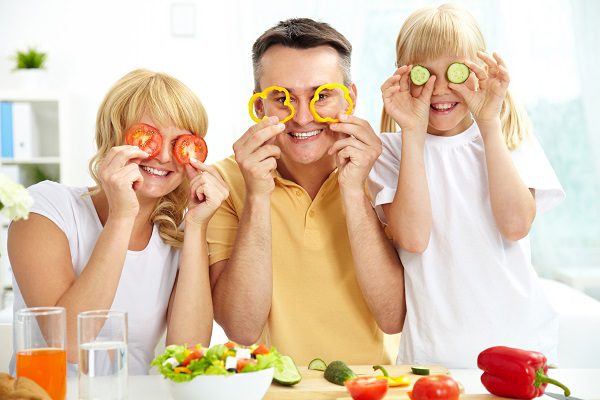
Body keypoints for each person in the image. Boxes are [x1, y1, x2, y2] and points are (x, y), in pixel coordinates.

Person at [370, 4, 565, 368]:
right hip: (431, 355)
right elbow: (412, 238)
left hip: (522, 346)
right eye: (425, 74)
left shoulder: (510, 137)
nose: (441, 89)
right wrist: (412, 132)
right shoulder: (390, 153)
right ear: (403, 77)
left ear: (479, 70)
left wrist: (488, 121)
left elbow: (515, 225)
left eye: (455, 72)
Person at [207, 18, 405, 365]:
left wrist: (354, 191)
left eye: (322, 96)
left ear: (350, 99)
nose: (301, 117)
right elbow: (241, 328)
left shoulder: (387, 171)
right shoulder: (222, 183)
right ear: (259, 107)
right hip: (273, 390)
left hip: (375, 388)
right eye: (282, 98)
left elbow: (392, 317)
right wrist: (257, 196)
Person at [8, 69, 229, 375]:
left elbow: (187, 356)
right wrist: (123, 215)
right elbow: (69, 344)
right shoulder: (46, 209)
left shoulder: (177, 237)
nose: (164, 156)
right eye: (147, 138)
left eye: (180, 143)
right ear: (112, 137)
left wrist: (195, 225)